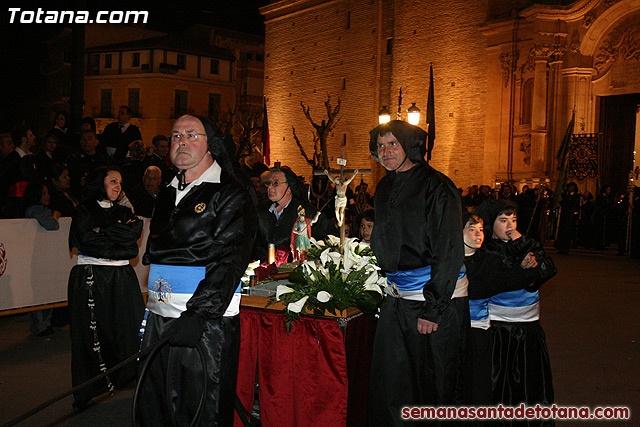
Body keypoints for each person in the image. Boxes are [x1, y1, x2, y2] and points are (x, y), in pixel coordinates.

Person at [139, 114, 257, 426]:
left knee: (199, 408)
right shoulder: (167, 192)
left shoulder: (230, 193)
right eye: (176, 135)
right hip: (158, 316)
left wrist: (198, 314)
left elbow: (229, 259)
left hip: (203, 324)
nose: (181, 142)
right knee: (156, 405)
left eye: (192, 135)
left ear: (211, 145)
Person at [367, 120, 465, 425]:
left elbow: (448, 247)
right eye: (380, 146)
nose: (385, 152)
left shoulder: (436, 186)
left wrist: (432, 308)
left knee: (433, 387)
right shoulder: (384, 186)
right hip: (396, 301)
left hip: (431, 302)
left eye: (392, 144)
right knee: (394, 381)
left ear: (410, 146)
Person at [67, 165, 144, 410]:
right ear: (100, 183)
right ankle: (87, 390)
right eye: (112, 181)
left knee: (127, 329)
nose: (117, 186)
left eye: (120, 181)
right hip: (92, 278)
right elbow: (85, 241)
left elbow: (132, 247)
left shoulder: (125, 211)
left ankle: (129, 380)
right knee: (92, 334)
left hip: (122, 277)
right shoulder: (83, 210)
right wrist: (117, 237)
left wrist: (104, 233)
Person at [475, 199, 556, 424]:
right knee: (499, 386)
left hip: (528, 329)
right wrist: (521, 268)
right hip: (499, 330)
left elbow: (547, 271)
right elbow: (497, 281)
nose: (510, 225)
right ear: (491, 224)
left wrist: (522, 247)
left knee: (529, 385)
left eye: (514, 220)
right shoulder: (485, 250)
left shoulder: (526, 244)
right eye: (503, 220)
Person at [253, 166, 334, 263]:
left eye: (275, 183)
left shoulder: (307, 212)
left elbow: (330, 239)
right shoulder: (260, 210)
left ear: (289, 188)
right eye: (268, 183)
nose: (270, 187)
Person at [23, 182, 61, 337]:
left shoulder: (42, 210)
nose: (48, 196)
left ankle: (45, 323)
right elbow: (51, 224)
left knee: (47, 289)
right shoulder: (35, 210)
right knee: (39, 291)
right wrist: (56, 216)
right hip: (36, 257)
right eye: (44, 193)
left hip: (44, 256)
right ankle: (40, 325)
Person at [556, 182, 581, 254]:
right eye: (570, 187)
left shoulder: (576, 196)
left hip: (571, 217)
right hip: (564, 215)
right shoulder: (564, 195)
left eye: (572, 188)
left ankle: (567, 247)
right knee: (562, 231)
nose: (571, 189)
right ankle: (561, 247)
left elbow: (575, 205)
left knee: (568, 232)